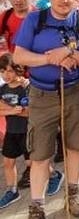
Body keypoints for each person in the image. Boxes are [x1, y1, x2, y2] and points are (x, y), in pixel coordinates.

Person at [13, 0, 79, 218]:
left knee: (75, 146)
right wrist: (49, 58)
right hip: (41, 95)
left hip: (74, 92)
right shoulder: (34, 19)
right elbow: (19, 56)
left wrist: (69, 53)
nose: (63, 0)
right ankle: (36, 206)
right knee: (40, 153)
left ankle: (73, 197)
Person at [0, 54, 30, 209]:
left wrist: (10, 110)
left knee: (32, 162)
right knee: (7, 162)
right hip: (12, 131)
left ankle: (53, 176)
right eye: (3, 71)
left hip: (27, 131)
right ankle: (12, 190)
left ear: (18, 69)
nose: (6, 75)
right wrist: (12, 111)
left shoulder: (25, 87)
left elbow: (29, 112)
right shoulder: (2, 89)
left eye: (10, 71)